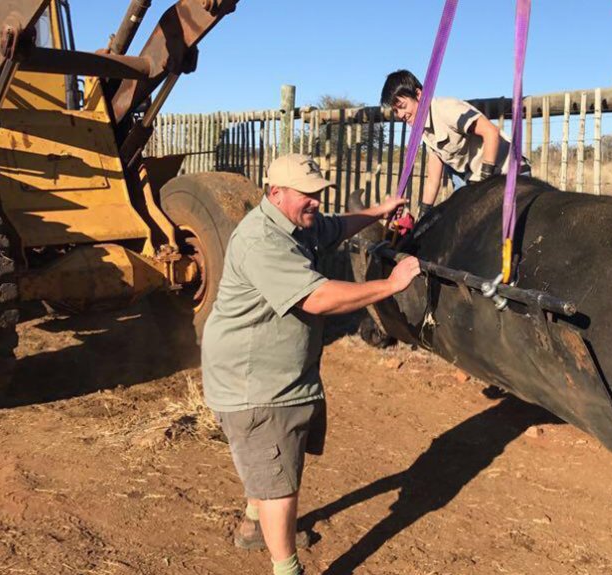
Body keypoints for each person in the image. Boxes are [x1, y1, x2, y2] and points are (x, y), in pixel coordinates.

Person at [201, 153, 421, 575]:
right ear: (275, 193)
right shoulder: (262, 240)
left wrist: (376, 212)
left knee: (274, 460)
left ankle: (253, 526)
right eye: (309, 195)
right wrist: (391, 285)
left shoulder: (297, 222)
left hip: (279, 372)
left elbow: (336, 225)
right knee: (279, 478)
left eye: (319, 195)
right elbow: (317, 297)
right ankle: (286, 568)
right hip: (255, 381)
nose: (317, 203)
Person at [380, 69, 530, 218]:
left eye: (402, 107)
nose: (400, 115)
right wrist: (422, 216)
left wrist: (484, 185)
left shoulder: (446, 109)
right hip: (479, 183)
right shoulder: (423, 129)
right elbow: (433, 179)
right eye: (396, 111)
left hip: (509, 174)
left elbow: (491, 133)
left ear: (419, 95)